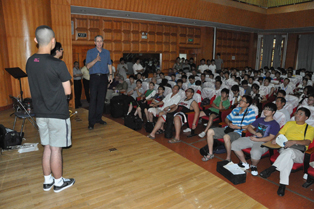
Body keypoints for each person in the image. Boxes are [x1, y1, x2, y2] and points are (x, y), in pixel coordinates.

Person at [26, 25, 74, 193]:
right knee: (56, 149)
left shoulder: (30, 61)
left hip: (39, 112)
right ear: (53, 41)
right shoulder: (58, 64)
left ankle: (47, 181)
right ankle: (59, 182)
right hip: (57, 113)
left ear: (35, 40)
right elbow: (68, 91)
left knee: (47, 146)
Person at [260, 107, 314, 196]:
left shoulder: (310, 128)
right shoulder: (289, 124)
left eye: (301, 114)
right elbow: (280, 134)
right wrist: (275, 139)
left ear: (306, 118)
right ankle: (282, 184)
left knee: (289, 153)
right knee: (288, 157)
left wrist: (293, 141)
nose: (297, 115)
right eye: (297, 113)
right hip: (285, 150)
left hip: (299, 153)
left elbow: (307, 142)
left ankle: (273, 169)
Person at [201, 95, 256, 161]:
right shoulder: (236, 109)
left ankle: (228, 158)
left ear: (247, 104)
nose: (240, 102)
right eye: (241, 100)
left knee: (226, 136)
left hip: (239, 132)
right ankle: (210, 153)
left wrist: (238, 127)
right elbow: (227, 118)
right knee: (210, 131)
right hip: (229, 128)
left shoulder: (251, 112)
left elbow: (253, 125)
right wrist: (228, 123)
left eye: (243, 101)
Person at [231, 103, 280, 176]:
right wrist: (255, 133)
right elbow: (249, 127)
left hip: (263, 142)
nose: (266, 111)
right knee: (234, 144)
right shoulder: (260, 119)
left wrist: (257, 140)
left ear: (273, 112)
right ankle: (244, 163)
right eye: (265, 109)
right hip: (253, 138)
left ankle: (253, 166)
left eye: (268, 110)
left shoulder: (275, 124)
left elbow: (270, 137)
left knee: (255, 152)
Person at [86, 35, 113, 130]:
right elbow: (88, 66)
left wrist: (110, 75)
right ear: (94, 42)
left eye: (100, 41)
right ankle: (91, 122)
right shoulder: (90, 52)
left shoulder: (106, 52)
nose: (99, 43)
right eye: (97, 41)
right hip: (94, 77)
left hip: (103, 78)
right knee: (93, 99)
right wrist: (96, 60)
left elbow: (109, 64)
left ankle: (98, 118)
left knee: (101, 99)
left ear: (103, 42)